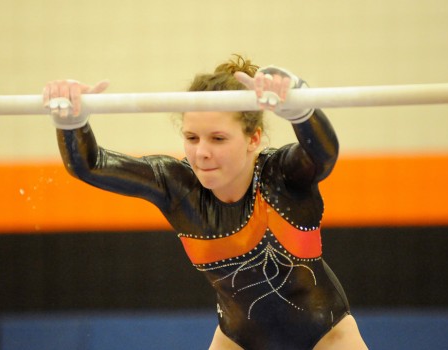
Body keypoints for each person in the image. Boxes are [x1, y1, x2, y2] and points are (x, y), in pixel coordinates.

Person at [43, 55, 367, 350]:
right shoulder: (175, 185)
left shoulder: (282, 176)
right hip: (237, 342)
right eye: (192, 138)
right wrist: (71, 120)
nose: (202, 153)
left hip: (327, 338)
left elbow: (322, 155)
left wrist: (300, 108)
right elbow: (90, 164)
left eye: (218, 138)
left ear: (253, 139)